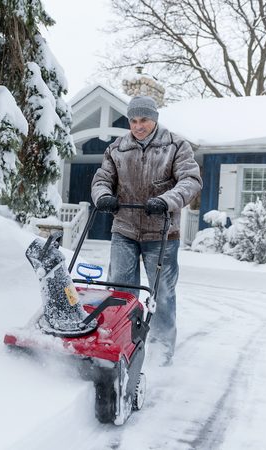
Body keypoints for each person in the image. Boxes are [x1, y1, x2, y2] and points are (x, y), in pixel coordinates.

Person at [90, 96, 202, 365]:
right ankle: (120, 343)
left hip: (162, 232)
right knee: (120, 291)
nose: (138, 126)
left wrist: (165, 201)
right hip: (125, 229)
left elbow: (191, 180)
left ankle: (162, 352)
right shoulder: (117, 148)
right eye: (133, 120)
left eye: (144, 120)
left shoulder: (176, 146)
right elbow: (102, 179)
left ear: (155, 119)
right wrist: (103, 196)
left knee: (162, 293)